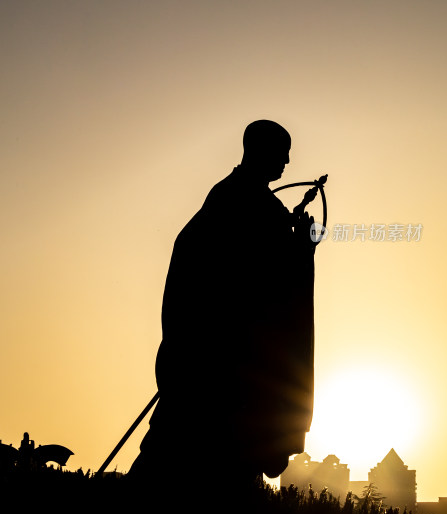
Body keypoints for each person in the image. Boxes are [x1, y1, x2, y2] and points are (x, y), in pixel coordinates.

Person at [128, 120, 317, 491]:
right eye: (282, 153)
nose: (288, 162)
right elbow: (254, 281)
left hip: (215, 369)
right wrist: (300, 250)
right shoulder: (245, 204)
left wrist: (293, 245)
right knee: (195, 473)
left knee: (172, 464)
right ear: (258, 150)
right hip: (224, 375)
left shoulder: (236, 200)